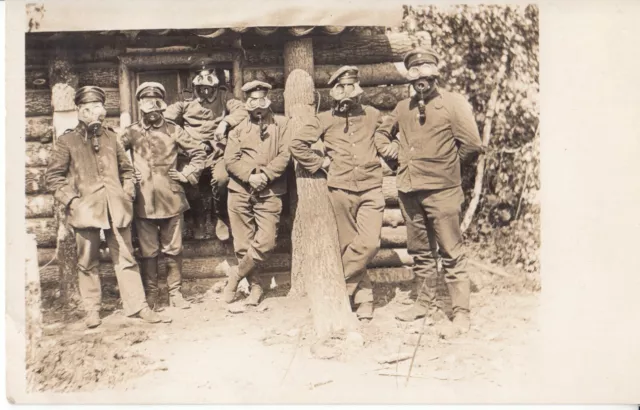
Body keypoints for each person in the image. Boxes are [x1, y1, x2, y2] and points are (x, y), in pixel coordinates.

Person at [375, 48, 484, 336]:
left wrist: (448, 168)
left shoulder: (453, 103)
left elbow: (472, 145)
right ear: (410, 77)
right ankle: (424, 304)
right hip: (410, 191)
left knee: (451, 251)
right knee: (421, 252)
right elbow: (382, 135)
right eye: (415, 72)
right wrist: (396, 156)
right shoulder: (402, 108)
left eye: (426, 71)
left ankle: (460, 313)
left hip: (443, 193)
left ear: (435, 74)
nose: (421, 78)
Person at [45, 85, 167, 328]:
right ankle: (92, 310)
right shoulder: (67, 141)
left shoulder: (112, 137)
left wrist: (127, 193)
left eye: (99, 108)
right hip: (85, 210)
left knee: (126, 257)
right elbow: (53, 178)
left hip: (116, 208)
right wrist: (72, 200)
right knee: (87, 261)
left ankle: (137, 306)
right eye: (88, 109)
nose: (95, 113)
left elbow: (128, 170)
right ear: (79, 110)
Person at [289, 66, 395, 320]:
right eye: (341, 88)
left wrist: (390, 154)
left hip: (371, 188)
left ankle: (340, 287)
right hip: (340, 190)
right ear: (335, 91)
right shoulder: (325, 119)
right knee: (348, 244)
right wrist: (320, 163)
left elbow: (391, 135)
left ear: (358, 90)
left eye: (352, 88)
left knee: (369, 243)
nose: (348, 94)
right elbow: (297, 144)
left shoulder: (373, 114)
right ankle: (365, 299)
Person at [120, 82, 207, 311]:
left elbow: (199, 152)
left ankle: (175, 293)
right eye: (147, 107)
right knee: (148, 250)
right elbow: (115, 156)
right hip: (144, 201)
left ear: (162, 106)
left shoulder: (174, 130)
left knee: (173, 248)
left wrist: (186, 173)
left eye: (156, 107)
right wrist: (129, 172)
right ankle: (151, 293)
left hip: (171, 197)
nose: (152, 113)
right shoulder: (131, 132)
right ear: (141, 107)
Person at [222, 80, 291, 306]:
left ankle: (235, 275)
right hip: (240, 190)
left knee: (267, 240)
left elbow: (285, 155)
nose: (257, 105)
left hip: (270, 190)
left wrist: (266, 176)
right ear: (246, 102)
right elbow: (230, 160)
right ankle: (256, 287)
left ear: (268, 100)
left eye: (261, 99)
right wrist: (250, 176)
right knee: (243, 243)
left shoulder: (282, 125)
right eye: (252, 100)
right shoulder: (237, 129)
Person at [164, 58, 249, 241]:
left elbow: (241, 111)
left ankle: (221, 216)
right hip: (192, 153)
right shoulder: (184, 98)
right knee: (186, 180)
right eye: (201, 87)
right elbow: (167, 118)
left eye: (209, 87)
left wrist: (225, 123)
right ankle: (198, 219)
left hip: (216, 152)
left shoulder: (225, 96)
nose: (205, 91)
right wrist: (186, 140)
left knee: (222, 179)